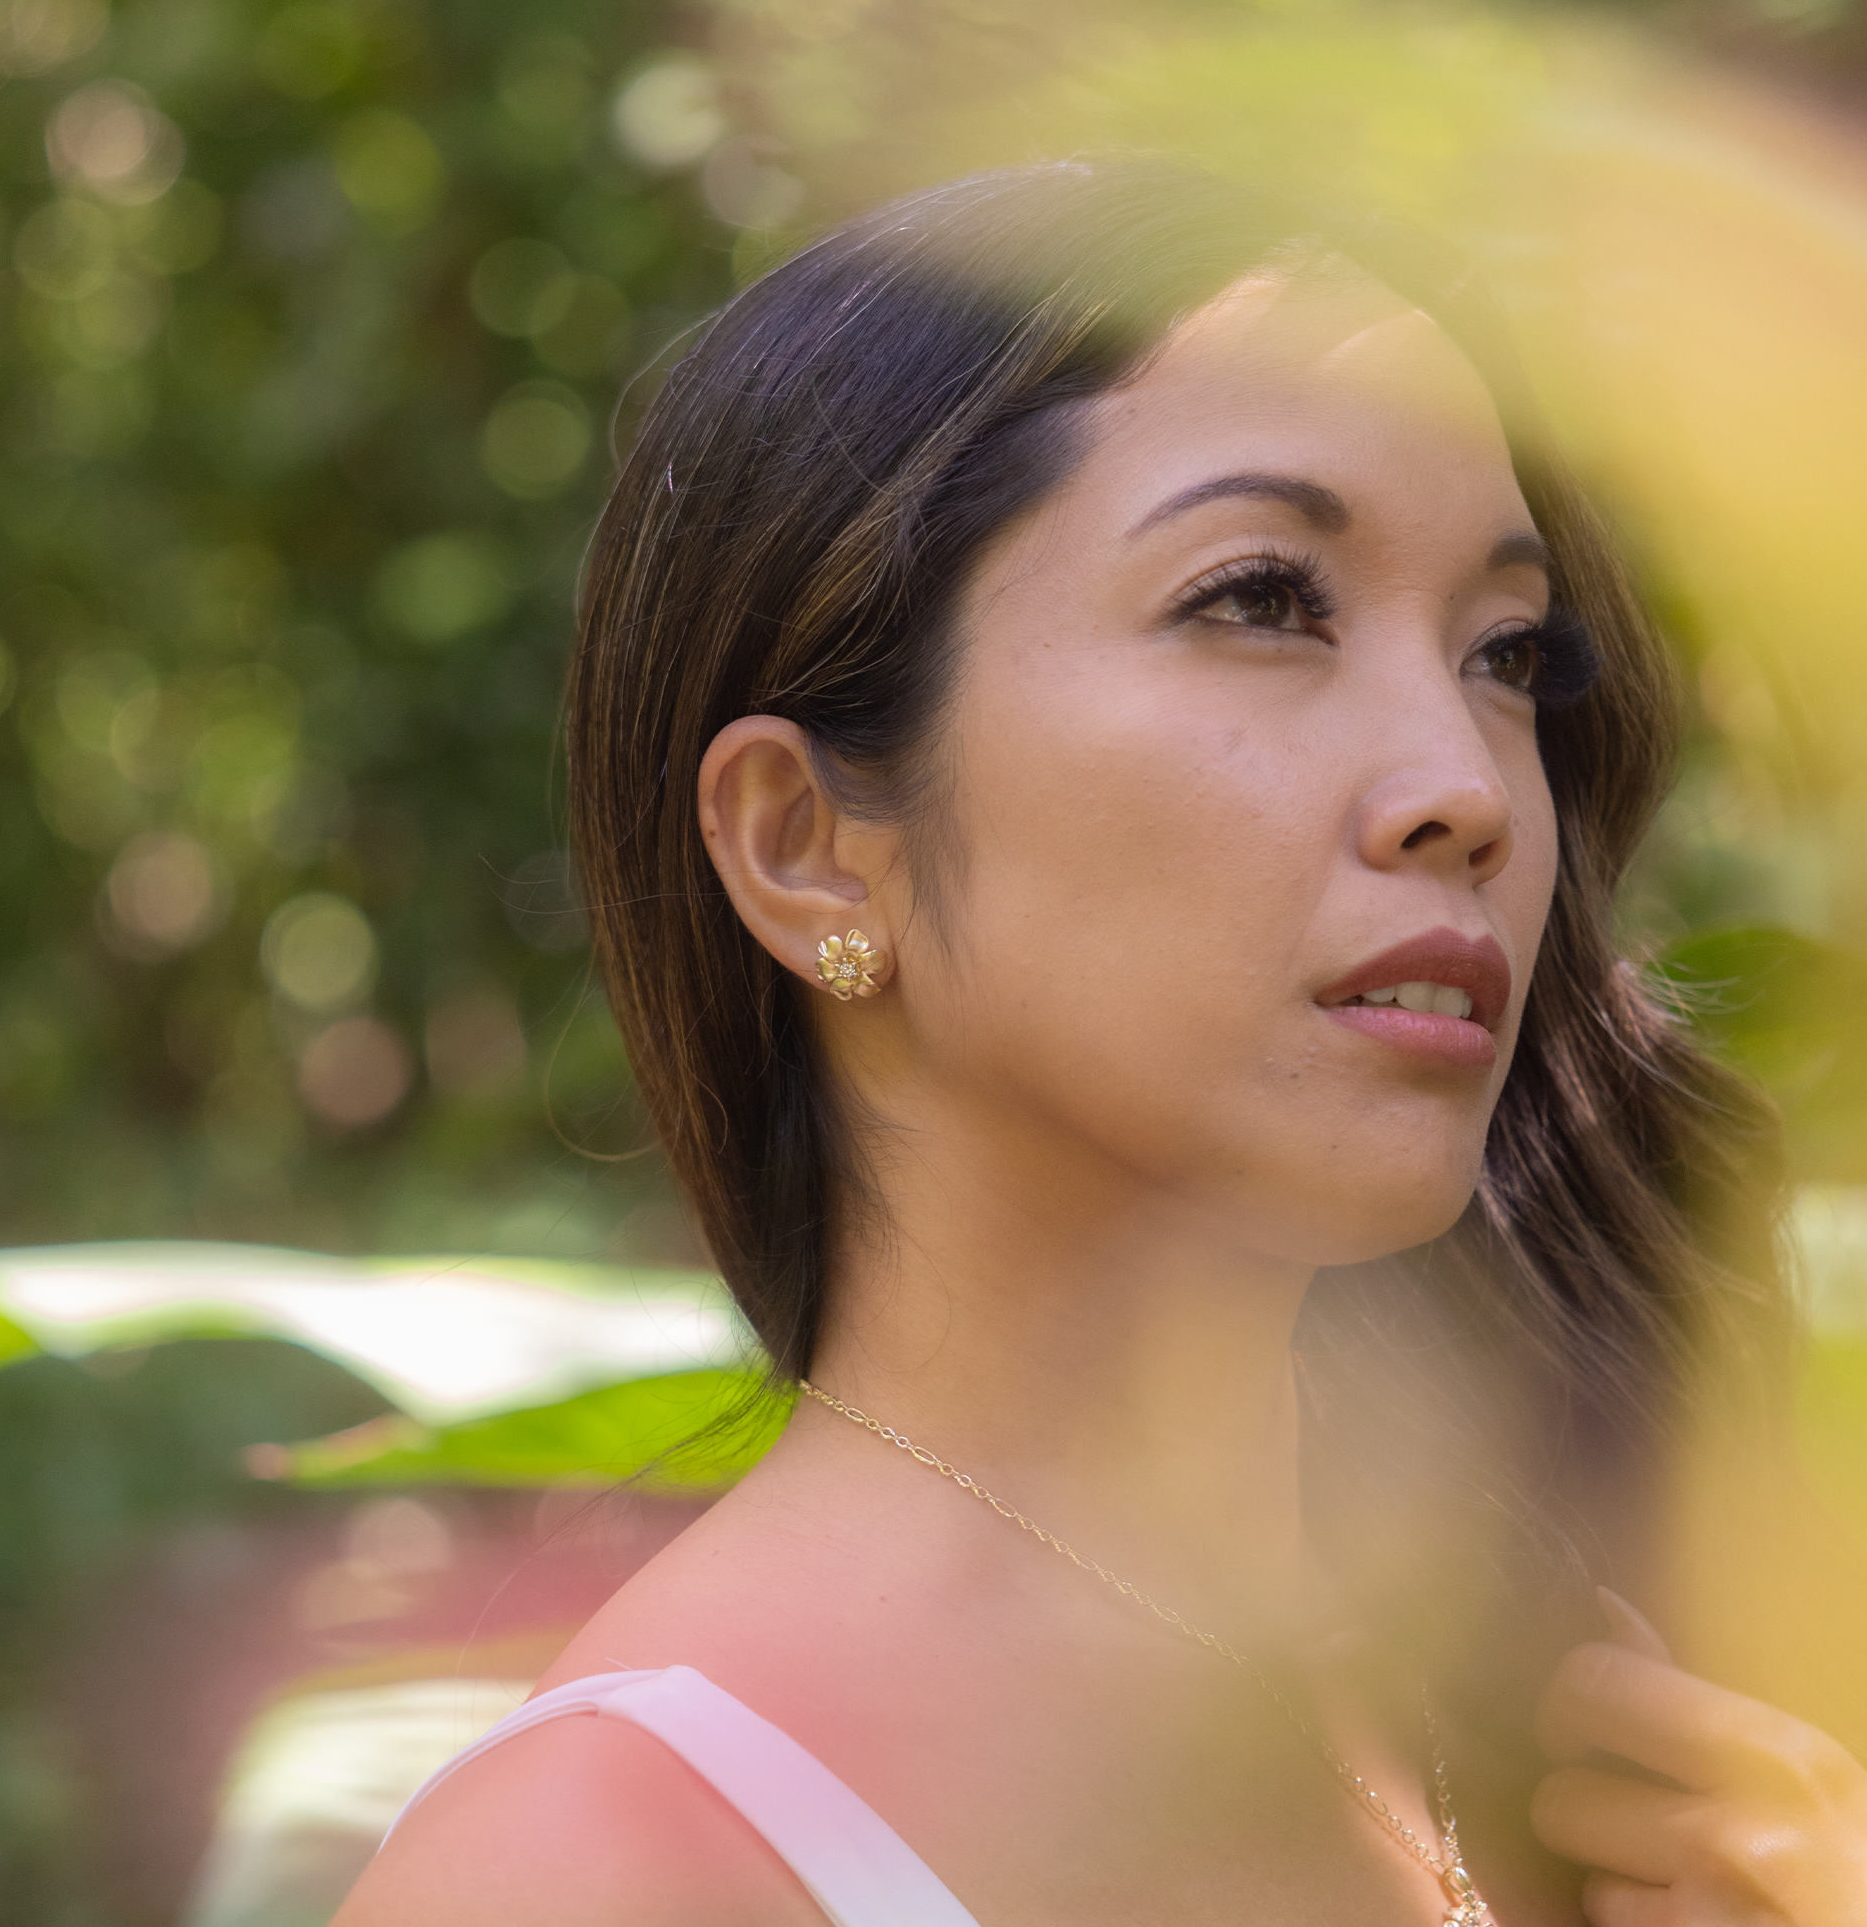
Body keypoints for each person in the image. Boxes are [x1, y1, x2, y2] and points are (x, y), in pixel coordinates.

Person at [333, 159, 1867, 1924]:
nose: (1465, 788)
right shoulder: (606, 1869)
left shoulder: (1628, 1735)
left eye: (1507, 653)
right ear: (808, 842)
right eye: (1262, 601)